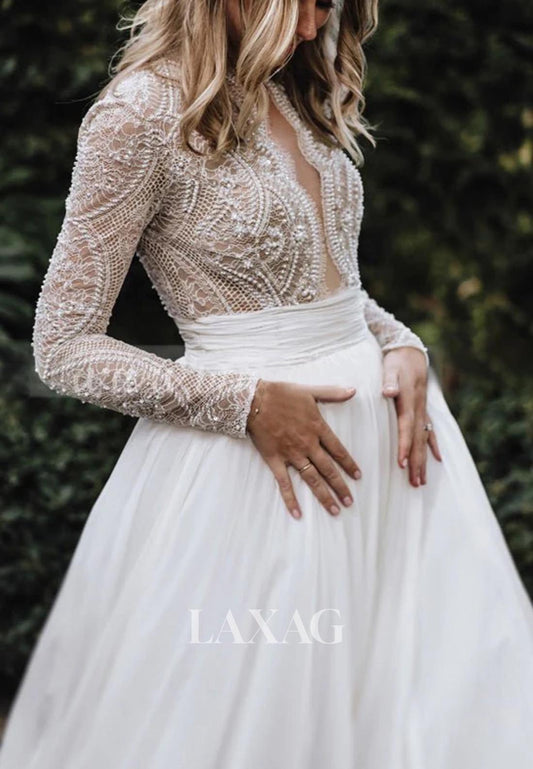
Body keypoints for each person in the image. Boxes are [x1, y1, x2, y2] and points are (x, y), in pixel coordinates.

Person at [1, 1, 533, 767]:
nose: (316, 28)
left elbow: (331, 285)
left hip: (391, 472)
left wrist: (399, 341)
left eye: (329, 7)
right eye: (306, 4)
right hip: (258, 477)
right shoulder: (138, 115)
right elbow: (62, 345)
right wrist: (244, 402)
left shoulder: (291, 89)